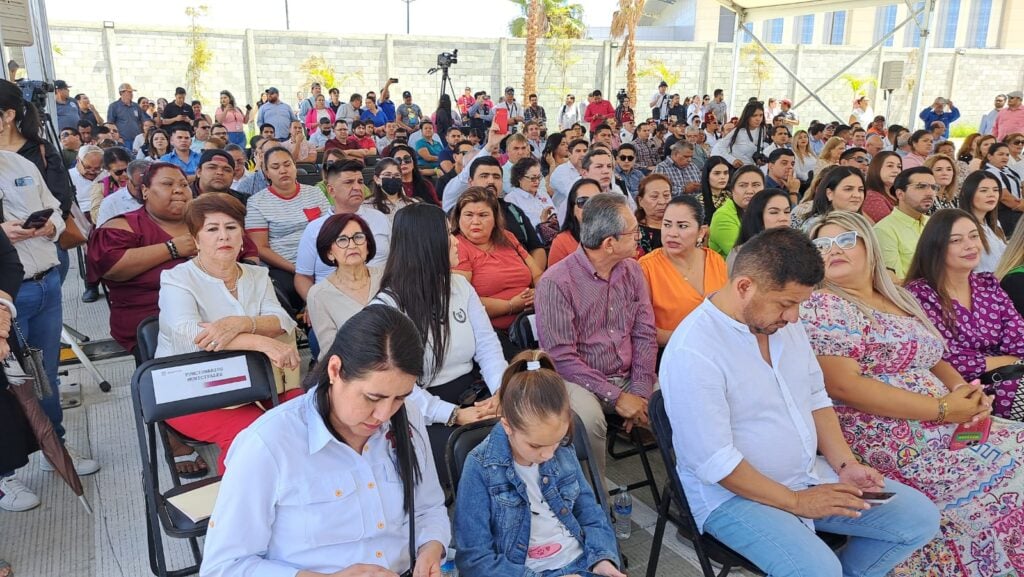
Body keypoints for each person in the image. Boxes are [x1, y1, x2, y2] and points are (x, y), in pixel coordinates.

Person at [664, 225, 940, 577]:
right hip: (730, 497)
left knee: (918, 518)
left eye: (799, 304)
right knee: (819, 570)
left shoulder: (780, 324)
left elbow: (815, 397)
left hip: (807, 476)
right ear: (744, 287)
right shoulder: (695, 350)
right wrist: (797, 503)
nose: (795, 316)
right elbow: (716, 464)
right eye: (787, 303)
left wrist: (845, 465)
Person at [801, 210, 1024, 576]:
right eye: (821, 245)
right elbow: (843, 385)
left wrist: (964, 393)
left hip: (945, 421)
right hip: (893, 436)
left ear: (868, 247)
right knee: (1002, 488)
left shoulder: (898, 298)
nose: (833, 250)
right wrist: (940, 409)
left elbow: (935, 357)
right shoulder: (824, 305)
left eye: (845, 240)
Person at [199, 305, 450, 577]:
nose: (384, 414)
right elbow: (223, 568)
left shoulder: (408, 416)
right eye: (372, 398)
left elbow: (428, 507)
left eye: (400, 396)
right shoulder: (269, 443)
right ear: (335, 370)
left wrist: (430, 550)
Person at [155, 193, 301, 473]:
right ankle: (233, 513)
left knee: (303, 419)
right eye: (212, 229)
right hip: (190, 386)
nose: (224, 236)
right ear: (196, 239)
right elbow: (189, 333)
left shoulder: (256, 275)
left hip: (258, 379)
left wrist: (241, 323)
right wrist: (263, 342)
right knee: (248, 437)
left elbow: (283, 320)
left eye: (231, 227)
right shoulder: (176, 278)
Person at [454, 351, 624, 577]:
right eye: (535, 446)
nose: (547, 454)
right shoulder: (480, 466)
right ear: (507, 426)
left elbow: (591, 514)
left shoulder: (563, 447)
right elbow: (474, 559)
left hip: (583, 562)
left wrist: (603, 559)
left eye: (554, 442)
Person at [374, 203, 506, 483]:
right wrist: (452, 414)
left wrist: (501, 393)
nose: (457, 240)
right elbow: (397, 384)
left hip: (472, 392)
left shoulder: (460, 286)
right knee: (479, 461)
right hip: (418, 408)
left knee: (524, 431)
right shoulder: (388, 307)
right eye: (448, 234)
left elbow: (488, 346)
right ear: (427, 244)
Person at [535, 193, 658, 477]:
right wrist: (617, 398)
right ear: (609, 243)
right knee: (589, 421)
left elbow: (644, 333)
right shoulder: (556, 282)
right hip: (578, 380)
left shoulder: (633, 271)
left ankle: (683, 494)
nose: (639, 236)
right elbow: (562, 359)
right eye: (633, 231)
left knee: (671, 402)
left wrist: (639, 393)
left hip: (627, 375)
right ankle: (597, 503)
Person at [0, 150, 102, 480]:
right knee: (7, 384)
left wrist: (48, 227)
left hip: (45, 282)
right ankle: (6, 476)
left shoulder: (18, 163)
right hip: (5, 294)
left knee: (45, 374)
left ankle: (53, 445)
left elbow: (58, 213)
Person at [903, 208, 1024, 421]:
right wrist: (1005, 359)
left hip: (1010, 377)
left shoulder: (988, 285)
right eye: (956, 240)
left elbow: (1019, 339)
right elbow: (947, 359)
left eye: (974, 236)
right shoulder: (919, 295)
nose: (970, 245)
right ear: (936, 247)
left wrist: (994, 359)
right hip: (961, 392)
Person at [451, 187, 542, 356]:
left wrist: (539, 293)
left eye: (483, 215)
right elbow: (462, 301)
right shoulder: (457, 246)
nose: (476, 221)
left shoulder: (507, 237)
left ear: (494, 219)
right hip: (491, 333)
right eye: (469, 215)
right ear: (458, 218)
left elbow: (537, 274)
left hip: (533, 319)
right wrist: (511, 306)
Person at [244, 146, 331, 312]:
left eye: (287, 164)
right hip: (286, 267)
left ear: (294, 167)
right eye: (275, 167)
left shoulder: (315, 194)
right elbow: (260, 248)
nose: (283, 170)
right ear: (267, 173)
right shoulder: (257, 203)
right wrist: (299, 269)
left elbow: (329, 231)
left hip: (322, 260)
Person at [639, 194, 727, 350]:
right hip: (670, 353)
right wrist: (693, 339)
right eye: (667, 225)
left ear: (701, 232)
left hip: (719, 349)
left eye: (682, 226)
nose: (672, 233)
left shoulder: (715, 261)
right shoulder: (646, 268)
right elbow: (643, 330)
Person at [306, 213, 383, 361]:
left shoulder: (388, 278)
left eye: (358, 237)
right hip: (352, 372)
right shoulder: (319, 295)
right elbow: (331, 352)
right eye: (342, 240)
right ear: (329, 253)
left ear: (368, 246)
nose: (352, 245)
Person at [874, 166, 936, 280]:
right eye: (921, 186)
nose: (930, 193)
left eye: (933, 187)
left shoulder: (933, 223)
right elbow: (895, 283)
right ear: (900, 194)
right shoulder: (884, 230)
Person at [708, 165, 765, 257]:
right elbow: (745, 257)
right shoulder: (723, 216)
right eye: (743, 185)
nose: (750, 191)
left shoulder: (765, 211)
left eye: (756, 185)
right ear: (732, 190)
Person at [727, 188, 792, 268]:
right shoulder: (741, 254)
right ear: (758, 217)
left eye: (787, 212)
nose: (783, 218)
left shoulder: (797, 249)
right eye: (774, 212)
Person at [960, 170, 1007, 273]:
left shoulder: (994, 223)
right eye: (984, 190)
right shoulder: (962, 226)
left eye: (995, 190)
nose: (992, 195)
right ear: (968, 193)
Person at [797, 166, 866, 233]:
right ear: (829, 193)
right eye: (848, 189)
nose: (857, 195)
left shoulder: (861, 223)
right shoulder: (815, 225)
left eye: (860, 189)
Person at [548, 179, 600, 267]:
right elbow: (554, 279)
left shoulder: (618, 234)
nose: (591, 207)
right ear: (573, 209)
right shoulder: (562, 242)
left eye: (597, 201)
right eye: (583, 202)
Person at [984, 141, 1023, 236]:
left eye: (1007, 155)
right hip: (1003, 216)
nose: (1005, 157)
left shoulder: (1006, 169)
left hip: (1017, 211)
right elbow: (1005, 197)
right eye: (1000, 154)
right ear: (990, 156)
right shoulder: (990, 172)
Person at [363, 157, 419, 223]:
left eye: (397, 175)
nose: (392, 178)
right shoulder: (366, 207)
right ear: (377, 179)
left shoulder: (413, 204)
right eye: (387, 175)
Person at [711, 101, 764, 167]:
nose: (758, 119)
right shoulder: (738, 131)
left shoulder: (762, 130)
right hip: (738, 171)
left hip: (752, 170)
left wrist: (759, 159)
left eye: (761, 115)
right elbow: (720, 147)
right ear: (747, 116)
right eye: (754, 115)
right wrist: (732, 160)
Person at [635, 173, 672, 255]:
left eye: (666, 195)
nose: (662, 202)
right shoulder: (634, 233)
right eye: (654, 196)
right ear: (640, 201)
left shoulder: (680, 226)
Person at [861, 151, 903, 223]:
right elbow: (891, 225)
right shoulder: (872, 197)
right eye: (890, 166)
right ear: (877, 168)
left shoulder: (897, 193)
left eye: (899, 167)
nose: (896, 170)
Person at [699, 156, 734, 224]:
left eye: (726, 173)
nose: (722, 177)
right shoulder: (698, 202)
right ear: (707, 176)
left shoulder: (733, 197)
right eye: (717, 173)